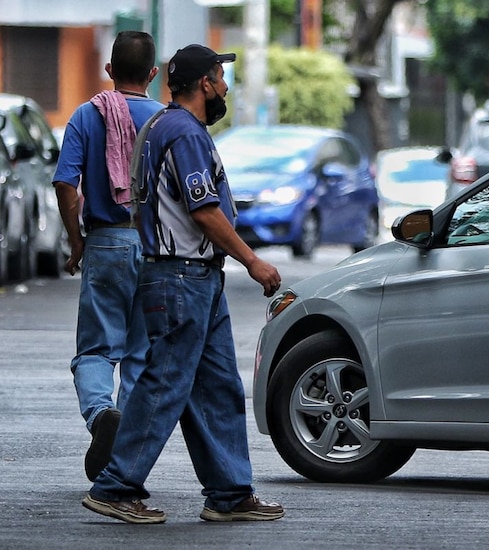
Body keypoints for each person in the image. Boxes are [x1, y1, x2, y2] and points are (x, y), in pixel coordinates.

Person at [81, 44, 284, 524]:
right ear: (204, 84)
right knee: (164, 384)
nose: (225, 87)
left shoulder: (161, 126)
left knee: (218, 388)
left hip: (193, 278)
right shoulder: (184, 133)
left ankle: (230, 493)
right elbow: (204, 210)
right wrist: (253, 261)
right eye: (220, 77)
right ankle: (115, 487)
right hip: (181, 278)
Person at [53, 30, 164, 482]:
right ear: (153, 74)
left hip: (105, 243)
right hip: (156, 248)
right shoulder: (166, 121)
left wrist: (75, 240)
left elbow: (65, 183)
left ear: (110, 70)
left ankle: (102, 416)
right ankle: (125, 457)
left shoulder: (86, 115)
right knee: (141, 355)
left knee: (97, 350)